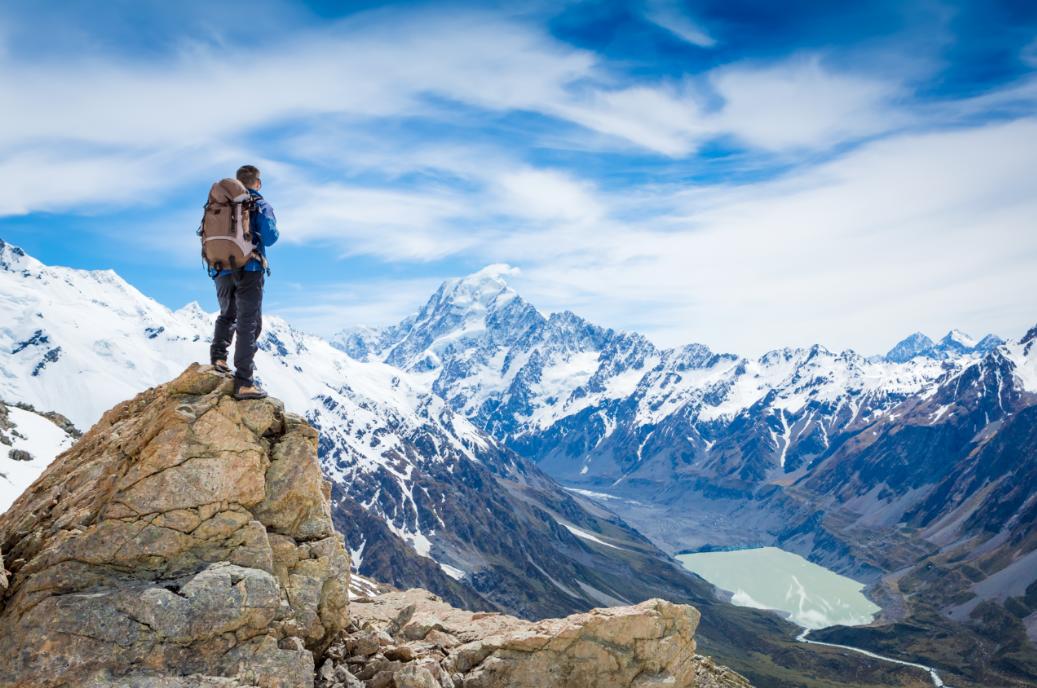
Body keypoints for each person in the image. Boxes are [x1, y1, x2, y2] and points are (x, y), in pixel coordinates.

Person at [209, 164, 279, 400]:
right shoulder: (259, 204)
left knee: (227, 314)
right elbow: (270, 237)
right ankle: (244, 382)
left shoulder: (220, 204)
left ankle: (218, 358)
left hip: (220, 268)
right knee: (249, 323)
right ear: (257, 183)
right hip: (250, 267)